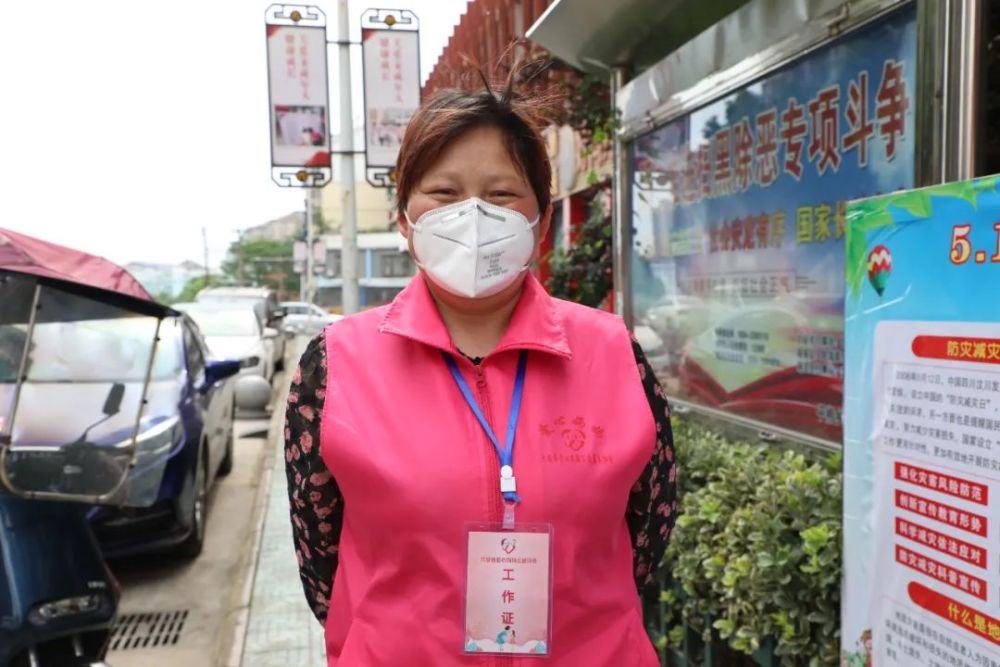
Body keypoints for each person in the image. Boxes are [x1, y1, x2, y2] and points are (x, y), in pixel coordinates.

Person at [285, 63, 677, 666]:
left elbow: (647, 530)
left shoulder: (614, 352)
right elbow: (321, 554)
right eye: (443, 193)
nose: (472, 215)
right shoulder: (335, 364)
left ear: (542, 223)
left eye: (500, 195)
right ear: (406, 223)